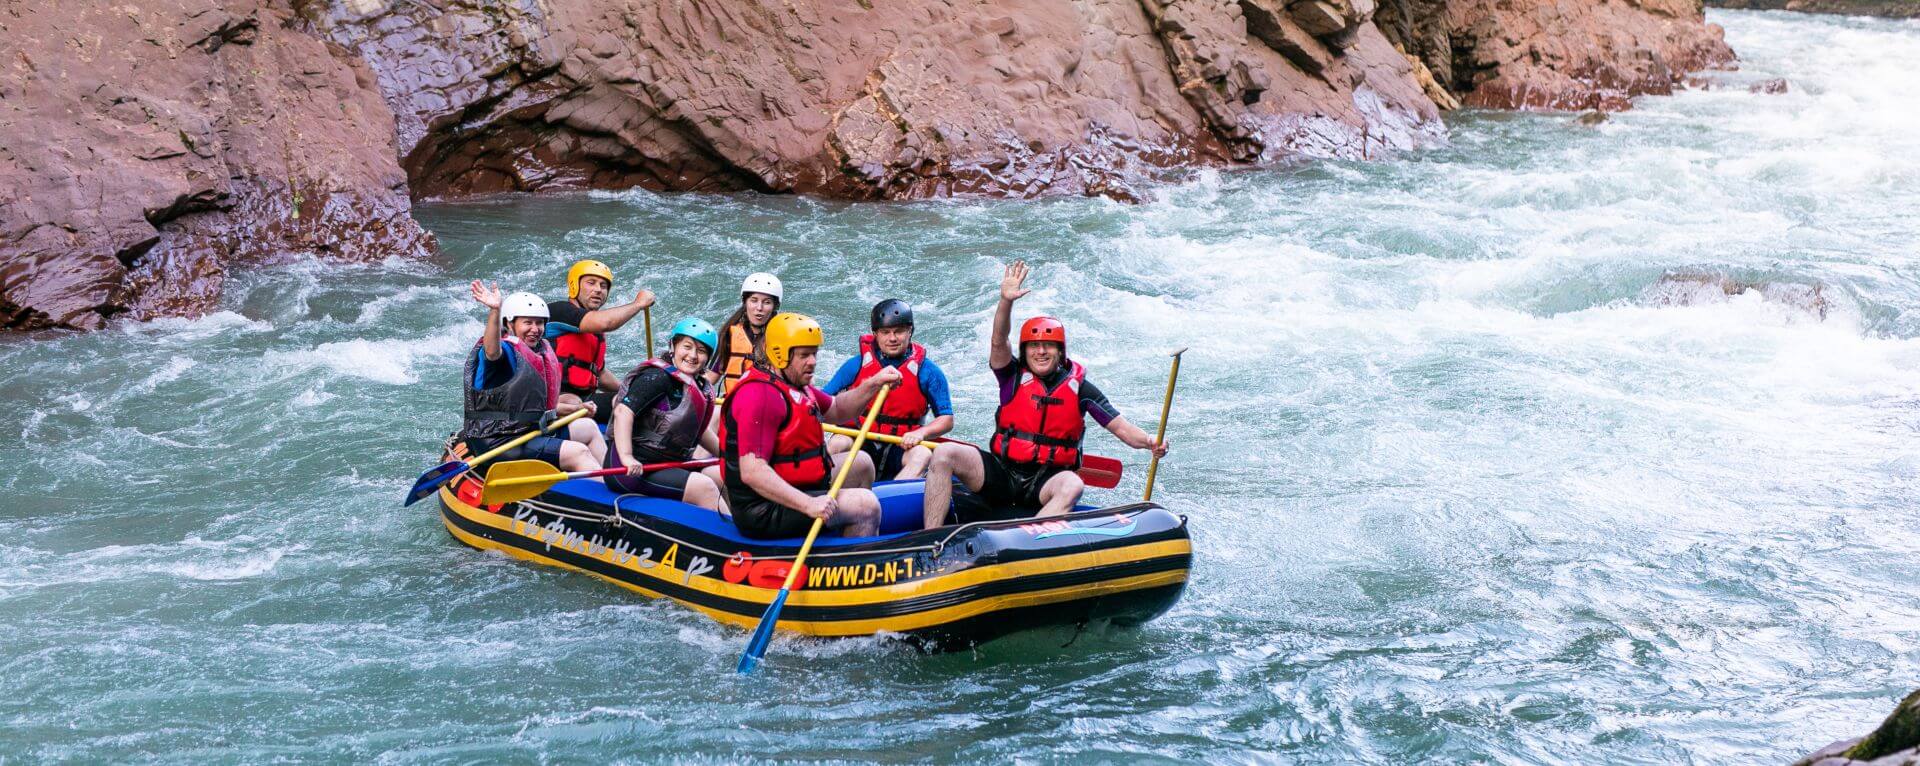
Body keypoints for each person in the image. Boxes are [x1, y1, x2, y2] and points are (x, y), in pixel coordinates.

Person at [921, 261, 1168, 528]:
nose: (1041, 352)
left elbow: (1121, 427)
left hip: (1046, 481)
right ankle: (930, 541)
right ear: (1025, 351)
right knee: (944, 454)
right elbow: (998, 340)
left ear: (1060, 351)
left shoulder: (1081, 389)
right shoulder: (1011, 376)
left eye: (1048, 346)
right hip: (1002, 471)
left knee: (1073, 484)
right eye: (1035, 346)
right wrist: (1006, 301)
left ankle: (1028, 542)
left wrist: (1150, 442)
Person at [717, 312, 902, 539]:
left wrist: (874, 383)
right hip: (761, 509)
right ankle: (850, 557)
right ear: (779, 355)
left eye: (814, 354)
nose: (812, 362)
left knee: (861, 463)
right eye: (804, 355)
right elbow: (752, 472)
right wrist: (808, 504)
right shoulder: (760, 396)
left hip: (793, 484)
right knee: (866, 505)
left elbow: (837, 409)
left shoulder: (791, 382)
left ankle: (844, 534)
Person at [457, 282, 606, 472]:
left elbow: (533, 408)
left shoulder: (539, 351)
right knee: (578, 452)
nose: (535, 329)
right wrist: (495, 311)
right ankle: (604, 500)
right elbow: (492, 351)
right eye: (527, 322)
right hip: (500, 441)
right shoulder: (504, 353)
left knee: (588, 427)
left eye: (539, 323)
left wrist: (577, 408)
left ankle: (614, 483)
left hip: (527, 432)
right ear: (509, 324)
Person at [604, 317, 728, 513]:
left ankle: (738, 528)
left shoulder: (700, 386)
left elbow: (699, 431)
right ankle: (726, 542)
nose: (693, 355)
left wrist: (726, 455)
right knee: (703, 486)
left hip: (668, 462)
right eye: (687, 347)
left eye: (701, 351)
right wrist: (627, 456)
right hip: (632, 467)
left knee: (722, 475)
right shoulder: (657, 377)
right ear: (673, 346)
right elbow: (622, 411)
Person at [822, 299, 955, 480]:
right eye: (885, 332)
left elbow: (946, 419)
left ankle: (891, 498)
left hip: (901, 444)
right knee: (837, 441)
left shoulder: (929, 372)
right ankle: (819, 487)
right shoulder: (856, 365)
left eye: (899, 331)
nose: (892, 338)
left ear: (910, 331)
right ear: (875, 334)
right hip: (860, 436)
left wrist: (921, 433)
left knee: (923, 454)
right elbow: (822, 401)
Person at [546, 259, 657, 424]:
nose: (598, 290)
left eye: (603, 286)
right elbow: (606, 322)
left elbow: (601, 374)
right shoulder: (559, 311)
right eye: (591, 283)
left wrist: (630, 389)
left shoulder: (595, 332)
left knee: (639, 399)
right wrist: (638, 304)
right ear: (574, 285)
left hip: (587, 399)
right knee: (631, 406)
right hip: (558, 399)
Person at [707, 272, 782, 397]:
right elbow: (710, 378)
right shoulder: (730, 336)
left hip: (769, 405)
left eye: (767, 302)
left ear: (775, 306)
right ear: (745, 302)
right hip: (733, 404)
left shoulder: (782, 338)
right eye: (754, 300)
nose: (759, 307)